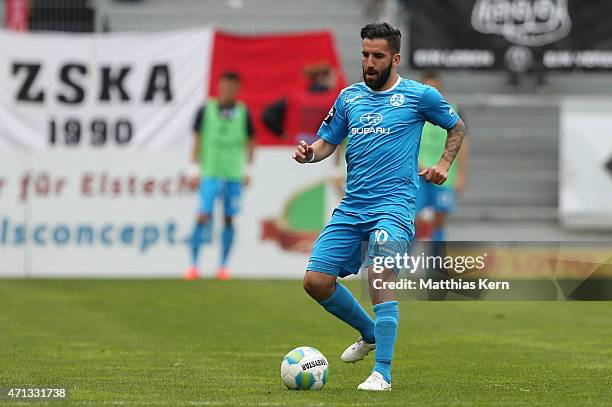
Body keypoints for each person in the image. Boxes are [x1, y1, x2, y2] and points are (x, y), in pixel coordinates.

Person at [292, 23, 465, 391]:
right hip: (353, 206)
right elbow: (326, 143)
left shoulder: (419, 96)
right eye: (365, 55)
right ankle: (370, 332)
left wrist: (444, 166)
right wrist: (310, 155)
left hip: (395, 206)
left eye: (378, 56)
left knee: (379, 274)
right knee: (316, 282)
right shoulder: (348, 98)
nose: (369, 63)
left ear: (396, 58)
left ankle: (382, 373)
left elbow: (457, 127)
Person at [185, 71, 255, 280]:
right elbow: (197, 139)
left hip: (233, 174)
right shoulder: (205, 110)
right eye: (224, 86)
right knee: (203, 215)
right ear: (218, 87)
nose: (227, 91)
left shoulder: (243, 112)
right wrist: (194, 168)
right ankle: (193, 265)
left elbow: (251, 141)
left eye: (231, 87)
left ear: (237, 89)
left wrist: (248, 169)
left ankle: (223, 267)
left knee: (229, 218)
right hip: (210, 172)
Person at [416, 71, 469, 241]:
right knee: (413, 218)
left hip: (444, 174)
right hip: (418, 174)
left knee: (439, 219)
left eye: (435, 89)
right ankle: (406, 261)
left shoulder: (453, 110)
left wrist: (461, 174)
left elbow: (463, 143)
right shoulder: (413, 112)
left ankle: (436, 260)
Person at [262, 62, 338, 144]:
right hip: (323, 147)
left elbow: (268, 115)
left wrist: (280, 133)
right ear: (322, 77)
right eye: (332, 77)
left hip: (296, 147)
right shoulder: (334, 100)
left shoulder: (295, 97)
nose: (335, 80)